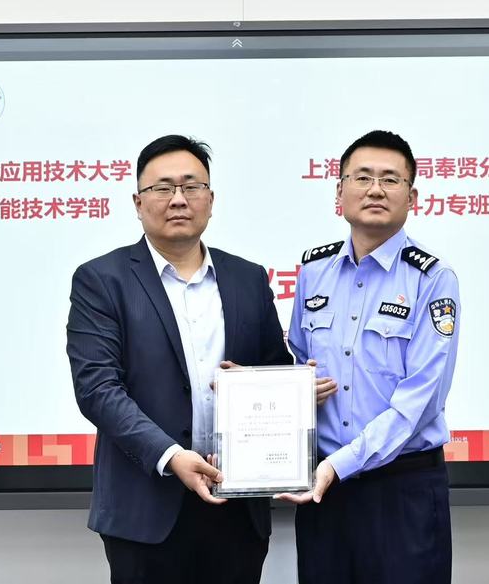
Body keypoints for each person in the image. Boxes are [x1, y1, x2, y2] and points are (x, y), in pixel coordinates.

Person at [66, 135, 292, 584]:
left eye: (191, 186)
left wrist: (281, 386)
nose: (178, 199)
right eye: (162, 188)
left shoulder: (247, 278)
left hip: (236, 507)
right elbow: (97, 389)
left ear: (211, 199)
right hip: (146, 510)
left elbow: (275, 367)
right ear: (138, 202)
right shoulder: (102, 279)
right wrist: (171, 456)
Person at [280, 130, 461, 584]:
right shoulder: (314, 271)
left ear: (412, 197)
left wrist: (339, 465)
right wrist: (271, 388)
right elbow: (299, 359)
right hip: (324, 493)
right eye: (362, 177)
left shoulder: (432, 279)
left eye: (390, 179)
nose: (375, 189)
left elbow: (420, 401)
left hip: (401, 490)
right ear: (339, 192)